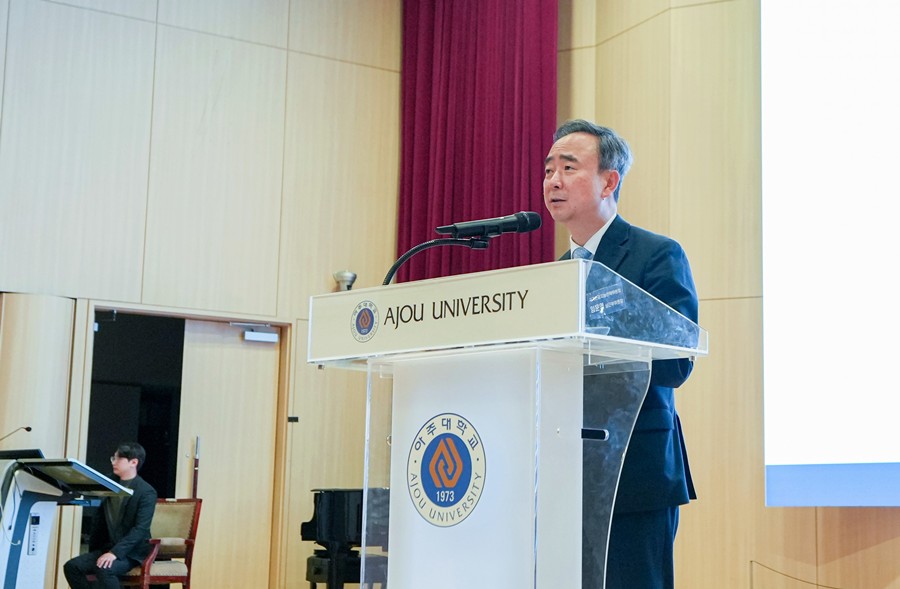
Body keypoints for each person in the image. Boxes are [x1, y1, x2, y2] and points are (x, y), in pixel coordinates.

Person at [542, 119, 699, 589]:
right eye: (548, 170)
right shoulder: (554, 276)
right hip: (566, 473)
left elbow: (677, 360)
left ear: (609, 181)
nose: (553, 180)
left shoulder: (656, 254)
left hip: (635, 472)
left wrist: (597, 343)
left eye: (569, 168)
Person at [64, 442, 157, 589]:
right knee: (72, 567)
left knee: (104, 569)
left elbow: (140, 529)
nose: (114, 462)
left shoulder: (146, 492)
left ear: (133, 462)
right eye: (113, 458)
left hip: (132, 552)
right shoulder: (107, 483)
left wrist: (115, 553)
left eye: (118, 459)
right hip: (107, 547)